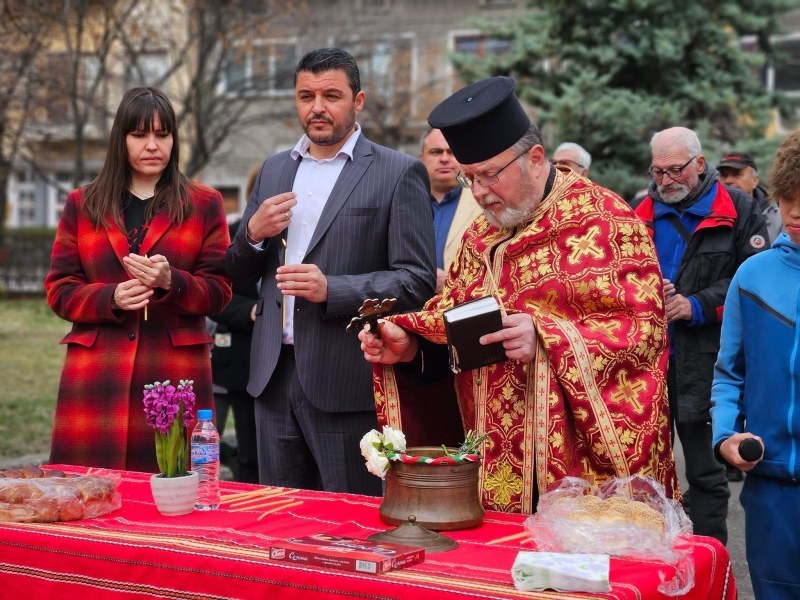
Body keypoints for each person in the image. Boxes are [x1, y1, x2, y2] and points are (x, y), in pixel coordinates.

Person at [359, 76, 678, 515]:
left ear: (535, 157)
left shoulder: (605, 221)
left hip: (577, 477)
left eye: (491, 175)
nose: (482, 193)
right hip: (493, 465)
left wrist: (548, 338)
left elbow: (642, 334)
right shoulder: (478, 237)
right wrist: (412, 347)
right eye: (470, 179)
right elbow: (454, 322)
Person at [225, 48, 435, 496]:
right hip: (271, 376)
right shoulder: (275, 169)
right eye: (306, 96)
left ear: (357, 102)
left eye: (331, 95)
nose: (317, 107)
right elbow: (236, 274)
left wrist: (332, 289)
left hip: (345, 377)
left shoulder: (399, 173)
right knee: (277, 519)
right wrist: (253, 236)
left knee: (347, 523)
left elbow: (416, 280)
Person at [45, 87, 232, 472]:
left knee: (176, 493)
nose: (153, 145)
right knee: (86, 496)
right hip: (98, 373)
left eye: (163, 135)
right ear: (121, 139)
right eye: (140, 134)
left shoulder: (204, 203)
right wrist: (110, 298)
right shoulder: (83, 204)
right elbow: (59, 290)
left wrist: (172, 281)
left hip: (175, 369)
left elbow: (220, 292)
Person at [634, 127, 769, 544]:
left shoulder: (741, 209)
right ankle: (651, 564)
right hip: (646, 364)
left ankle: (712, 565)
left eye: (675, 170)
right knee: (642, 475)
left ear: (699, 163)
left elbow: (754, 285)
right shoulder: (641, 212)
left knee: (705, 474)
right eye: (658, 171)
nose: (666, 180)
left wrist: (694, 306)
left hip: (706, 362)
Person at [711, 129, 800, 599]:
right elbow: (729, 375)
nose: (797, 211)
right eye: (789, 198)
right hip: (770, 493)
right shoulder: (753, 274)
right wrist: (725, 434)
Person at [209, 215, 260, 483]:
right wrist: (250, 311)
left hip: (299, 360)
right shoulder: (231, 234)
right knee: (249, 452)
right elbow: (213, 296)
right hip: (242, 362)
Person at [419, 128, 483, 293]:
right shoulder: (402, 199)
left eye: (452, 152)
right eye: (436, 152)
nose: (444, 159)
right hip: (407, 308)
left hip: (463, 307)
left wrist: (449, 282)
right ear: (421, 158)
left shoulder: (484, 202)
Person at [717, 150, 783, 243]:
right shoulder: (708, 214)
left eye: (736, 174)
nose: (728, 181)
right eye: (723, 175)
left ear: (755, 181)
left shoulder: (778, 217)